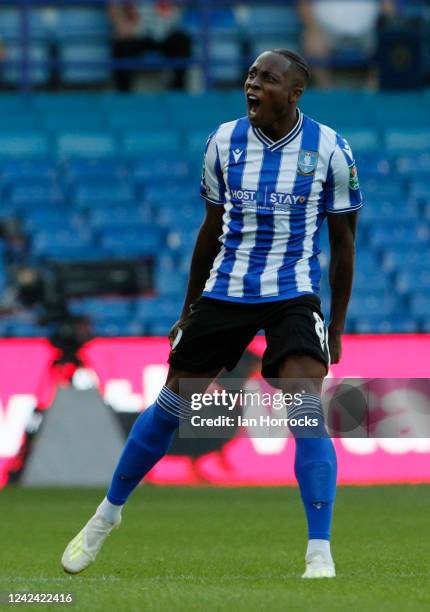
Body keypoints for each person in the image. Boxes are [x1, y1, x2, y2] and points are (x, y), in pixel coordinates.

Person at [61, 49, 362, 579]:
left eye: (267, 79)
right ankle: (107, 515)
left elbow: (344, 242)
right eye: (250, 76)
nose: (253, 85)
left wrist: (334, 326)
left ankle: (320, 550)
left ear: (294, 93)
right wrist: (188, 309)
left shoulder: (331, 150)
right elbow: (209, 230)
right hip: (226, 292)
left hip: (293, 293)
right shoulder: (222, 142)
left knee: (305, 409)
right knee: (172, 406)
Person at [298, 0, 397, 86]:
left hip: (368, 30)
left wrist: (387, 20)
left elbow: (388, 7)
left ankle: (371, 94)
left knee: (387, 43)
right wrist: (313, 29)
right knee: (313, 42)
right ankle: (327, 93)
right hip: (326, 30)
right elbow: (304, 4)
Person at [108, 0, 192, 91]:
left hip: (167, 31)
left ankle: (178, 89)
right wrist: (122, 25)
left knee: (182, 41)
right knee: (122, 45)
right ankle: (123, 93)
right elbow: (114, 5)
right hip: (136, 32)